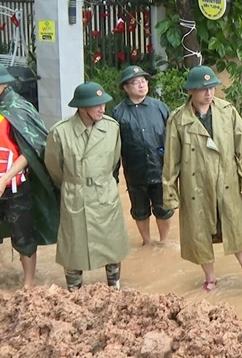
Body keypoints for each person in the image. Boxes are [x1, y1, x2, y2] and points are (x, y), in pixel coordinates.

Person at [163, 66, 242, 294]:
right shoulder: (179, 119)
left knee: (239, 231)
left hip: (228, 181)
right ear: (191, 91)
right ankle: (210, 278)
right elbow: (171, 160)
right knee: (200, 233)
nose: (209, 93)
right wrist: (171, 194)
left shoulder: (227, 111)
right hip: (196, 186)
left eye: (212, 88)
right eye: (203, 89)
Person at [45, 82, 129, 291]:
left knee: (112, 242)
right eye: (96, 105)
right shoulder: (60, 132)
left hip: (104, 192)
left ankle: (114, 286)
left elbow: (113, 160)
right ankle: (74, 291)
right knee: (74, 246)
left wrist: (100, 180)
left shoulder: (112, 128)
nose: (102, 108)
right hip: (76, 194)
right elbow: (54, 168)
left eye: (103, 104)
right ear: (82, 107)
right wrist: (74, 184)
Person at [0, 65, 59, 288]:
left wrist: (5, 178)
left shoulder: (17, 108)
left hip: (15, 184)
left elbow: (33, 149)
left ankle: (28, 284)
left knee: (23, 234)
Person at [110, 66, 173, 246]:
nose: (141, 85)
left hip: (160, 168)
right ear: (125, 87)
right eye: (135, 82)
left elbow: (173, 139)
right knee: (139, 210)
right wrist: (113, 177)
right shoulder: (118, 113)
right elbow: (113, 148)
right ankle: (146, 241)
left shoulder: (160, 107)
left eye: (144, 81)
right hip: (135, 171)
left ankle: (163, 242)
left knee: (164, 208)